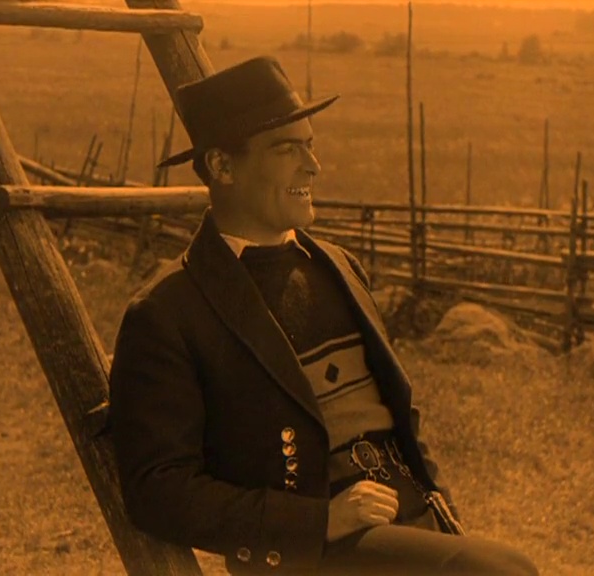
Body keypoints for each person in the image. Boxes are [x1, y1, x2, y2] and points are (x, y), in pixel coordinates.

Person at [109, 56, 538, 576]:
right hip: (311, 557)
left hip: (413, 532)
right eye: (286, 149)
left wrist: (444, 515)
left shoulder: (339, 266)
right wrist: (317, 521)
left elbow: (400, 419)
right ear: (221, 166)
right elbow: (157, 490)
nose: (312, 165)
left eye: (310, 145)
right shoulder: (168, 312)